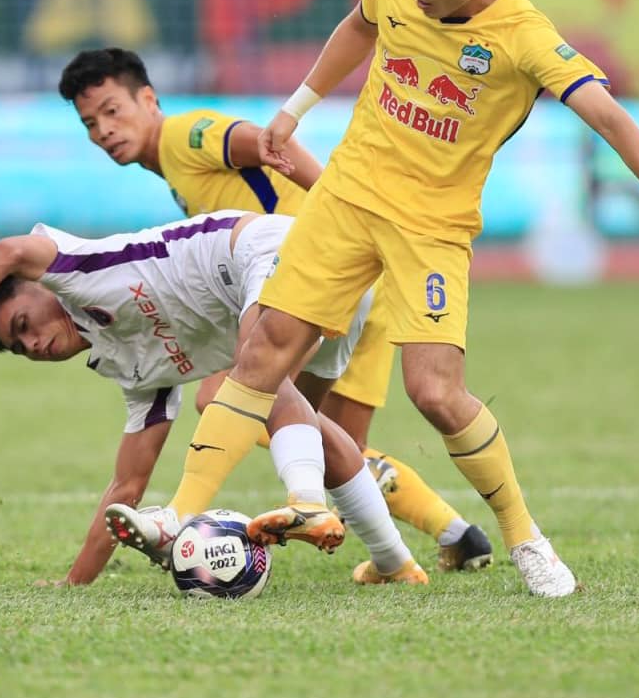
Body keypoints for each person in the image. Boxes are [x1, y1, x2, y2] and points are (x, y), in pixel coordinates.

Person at [202, 0, 639, 597]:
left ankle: (523, 537)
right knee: (263, 349)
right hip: (348, 194)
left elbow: (605, 113)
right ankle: (179, 517)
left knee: (434, 393)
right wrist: (295, 109)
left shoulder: (522, 38)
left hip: (432, 224)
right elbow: (360, 24)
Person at [56, 47, 492, 572]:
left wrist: (340, 214)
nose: (103, 130)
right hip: (359, 283)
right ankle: (453, 533)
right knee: (337, 441)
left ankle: (235, 512)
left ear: (148, 99)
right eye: (89, 123)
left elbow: (265, 142)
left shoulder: (185, 135)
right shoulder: (171, 167)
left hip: (313, 277)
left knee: (230, 393)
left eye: (111, 110)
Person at [0, 210, 432, 587]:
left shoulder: (81, 271)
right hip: (337, 301)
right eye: (21, 345)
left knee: (233, 388)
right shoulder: (131, 366)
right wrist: (74, 583)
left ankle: (211, 514)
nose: (33, 342)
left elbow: (9, 250)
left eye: (25, 322)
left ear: (41, 287)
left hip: (274, 254)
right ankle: (395, 564)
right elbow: (125, 487)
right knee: (300, 421)